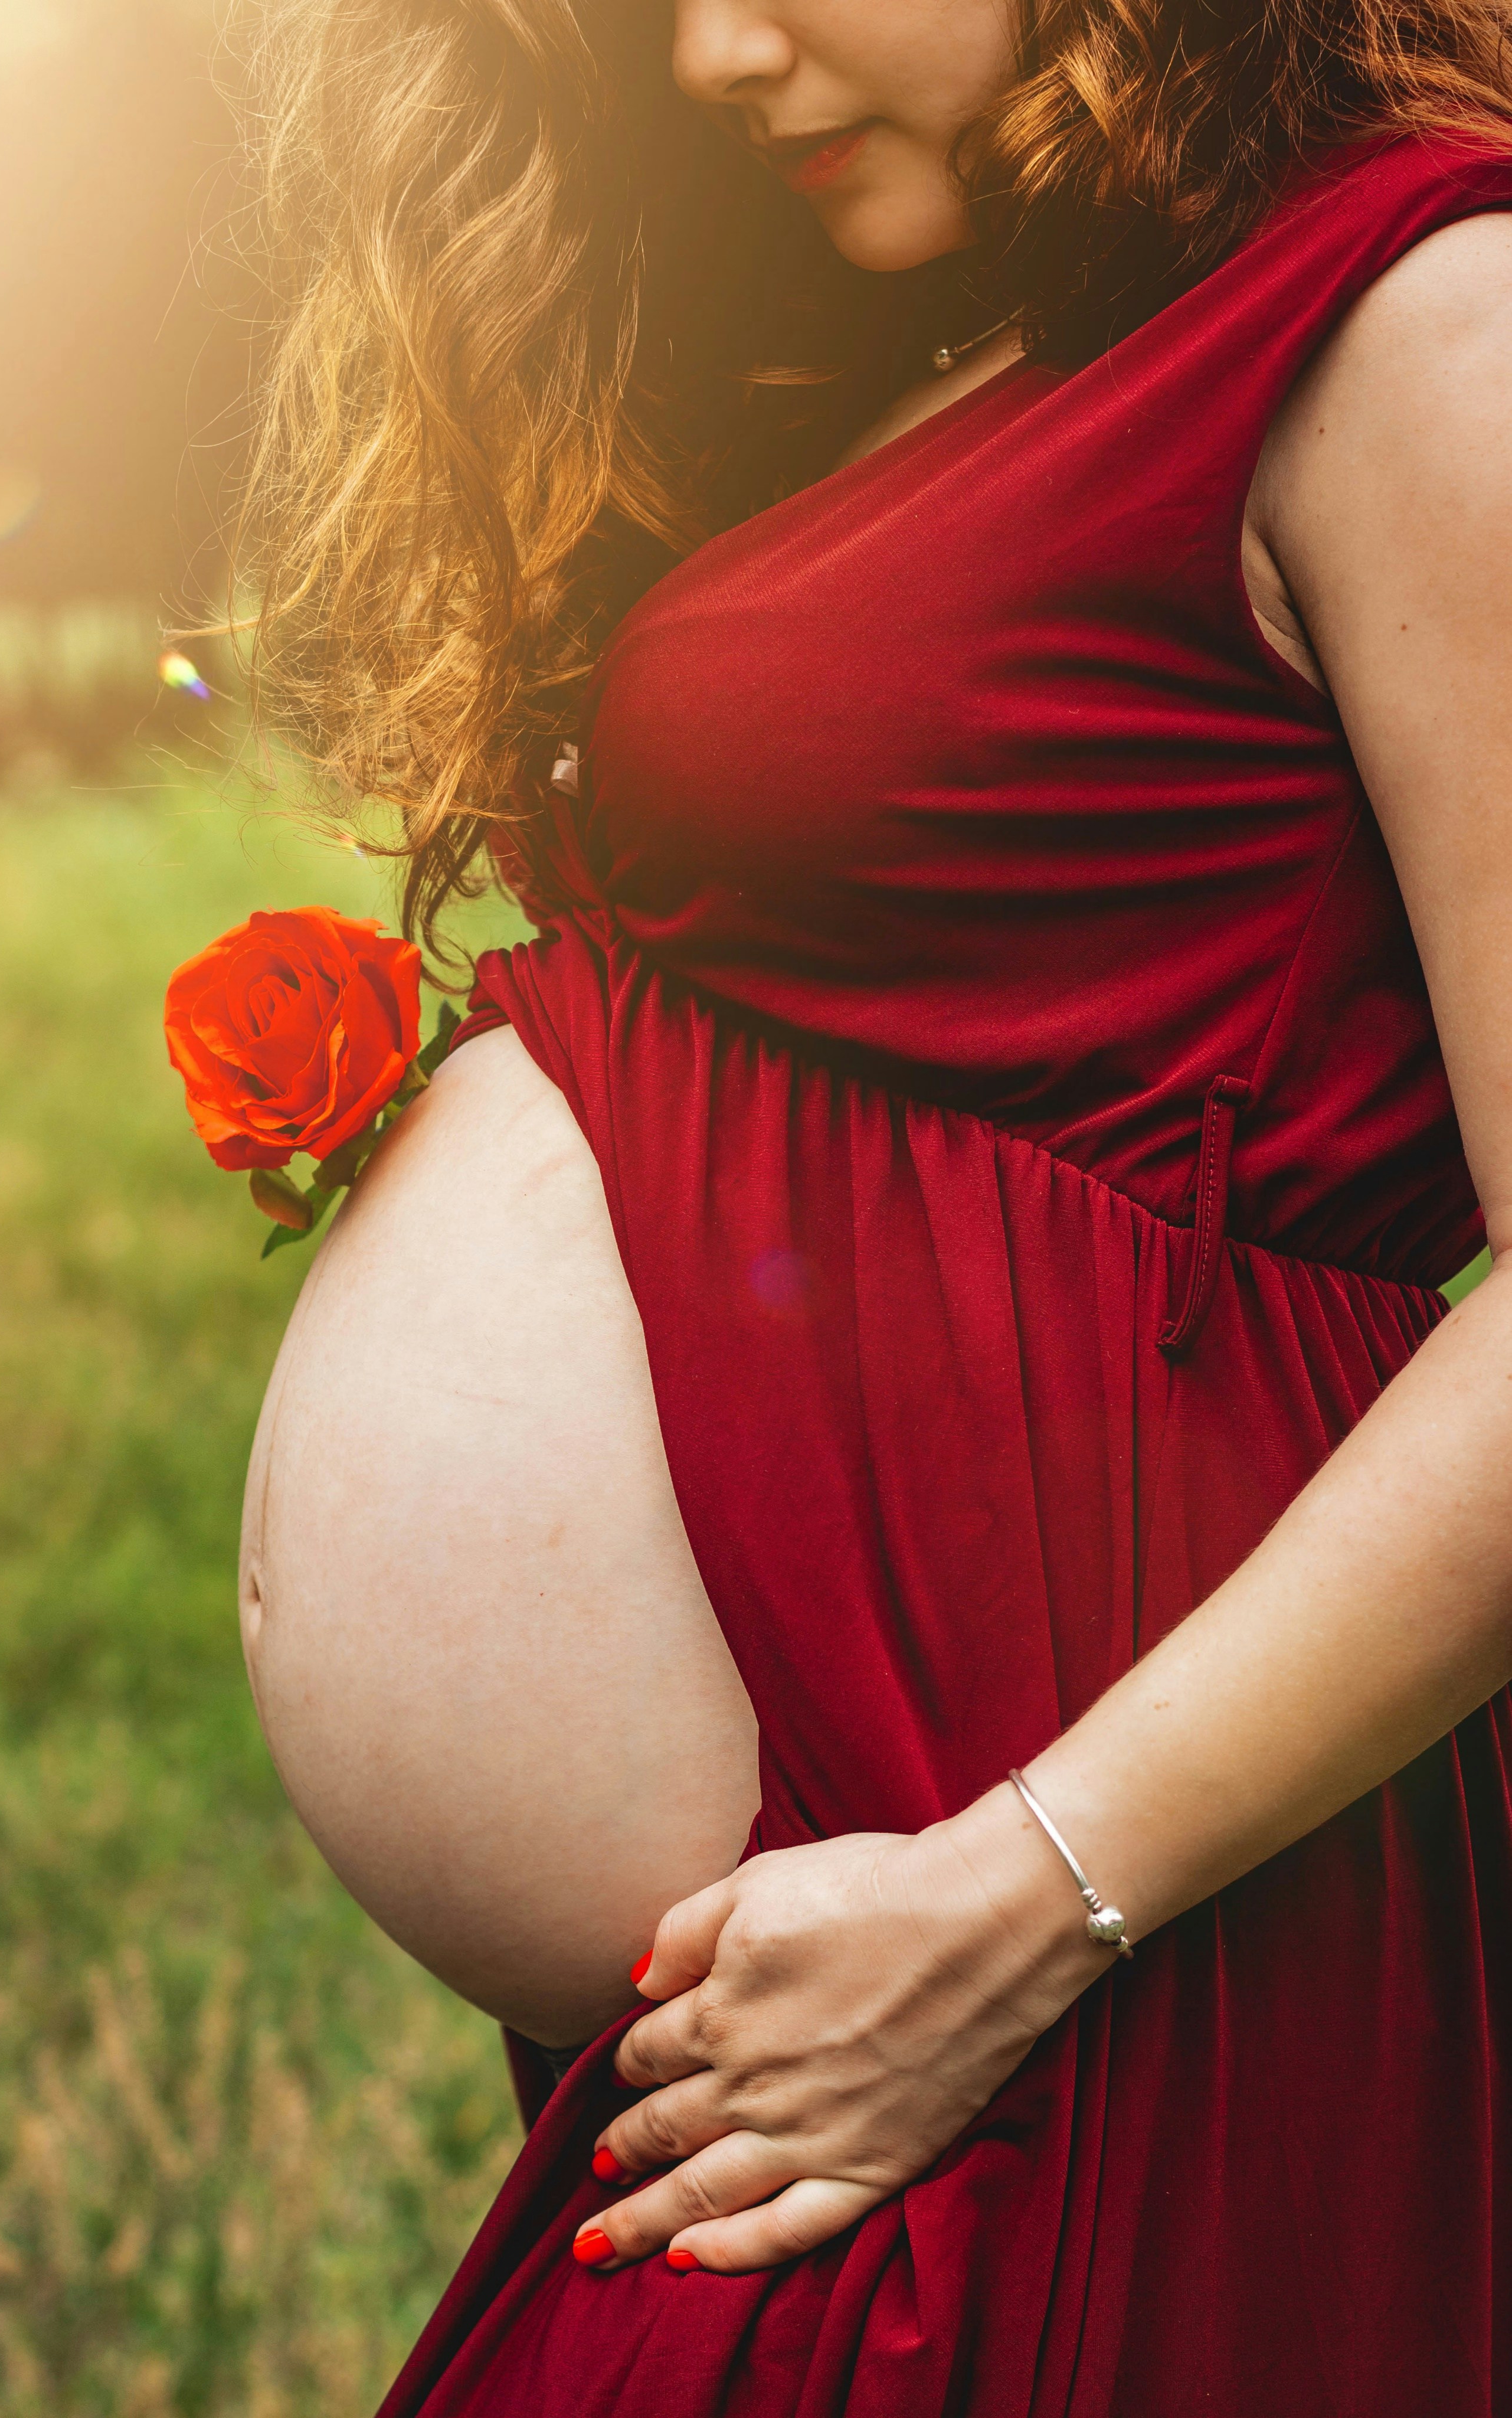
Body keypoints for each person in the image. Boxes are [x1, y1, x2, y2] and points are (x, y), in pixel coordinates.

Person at [232, 0, 1512, 2407]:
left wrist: (1019, 1893)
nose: (708, 53)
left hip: (1065, 1904)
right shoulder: (998, 329)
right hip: (878, 1907)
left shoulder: (1426, 312)